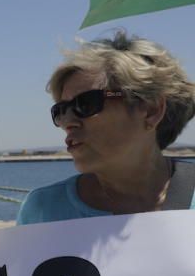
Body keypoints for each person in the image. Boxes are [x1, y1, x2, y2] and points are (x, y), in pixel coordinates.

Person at [17, 32, 195, 224]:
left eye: (86, 104)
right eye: (60, 110)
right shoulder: (44, 210)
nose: (67, 122)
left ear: (151, 110)